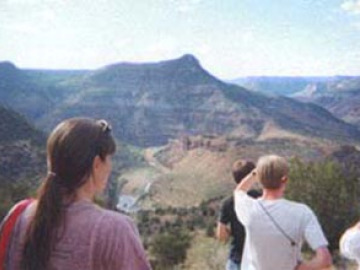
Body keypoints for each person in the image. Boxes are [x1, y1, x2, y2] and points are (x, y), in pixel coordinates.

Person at [4, 118, 151, 270]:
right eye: (109, 159)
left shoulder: (19, 215)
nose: (110, 167)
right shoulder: (114, 230)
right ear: (96, 164)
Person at [234, 155, 332, 270]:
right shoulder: (302, 212)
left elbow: (239, 190)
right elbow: (325, 259)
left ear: (259, 179)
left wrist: (255, 173)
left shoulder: (249, 209)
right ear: (285, 179)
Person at [216, 160, 261, 270]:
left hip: (237, 259)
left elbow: (221, 235)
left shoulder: (228, 203)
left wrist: (231, 232)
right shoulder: (261, 198)